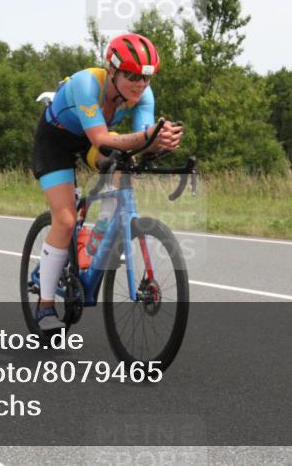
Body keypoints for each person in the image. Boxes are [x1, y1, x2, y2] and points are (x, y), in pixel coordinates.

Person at [31, 33, 183, 331]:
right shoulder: (86, 84)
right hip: (56, 142)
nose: (140, 84)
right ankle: (45, 305)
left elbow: (140, 141)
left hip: (91, 141)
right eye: (132, 76)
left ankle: (101, 236)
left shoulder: (143, 95)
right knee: (65, 220)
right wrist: (148, 137)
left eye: (147, 77)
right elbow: (102, 139)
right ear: (111, 70)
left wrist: (160, 142)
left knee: (124, 169)